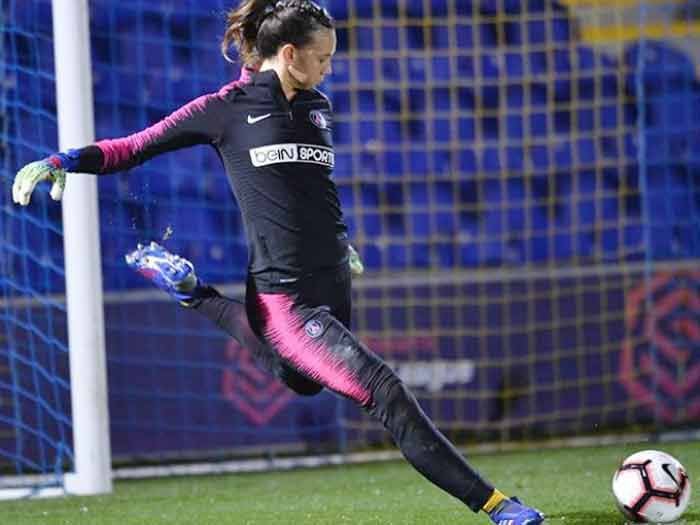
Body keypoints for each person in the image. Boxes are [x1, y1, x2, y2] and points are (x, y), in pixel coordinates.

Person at [12, 1, 544, 523]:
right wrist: (65, 160)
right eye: (322, 58)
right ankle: (497, 506)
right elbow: (135, 146)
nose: (328, 68)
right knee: (386, 392)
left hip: (332, 277)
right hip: (284, 297)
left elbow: (314, 189)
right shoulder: (224, 108)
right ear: (289, 54)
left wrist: (339, 240)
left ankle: (195, 295)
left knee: (304, 381)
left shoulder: (317, 108)